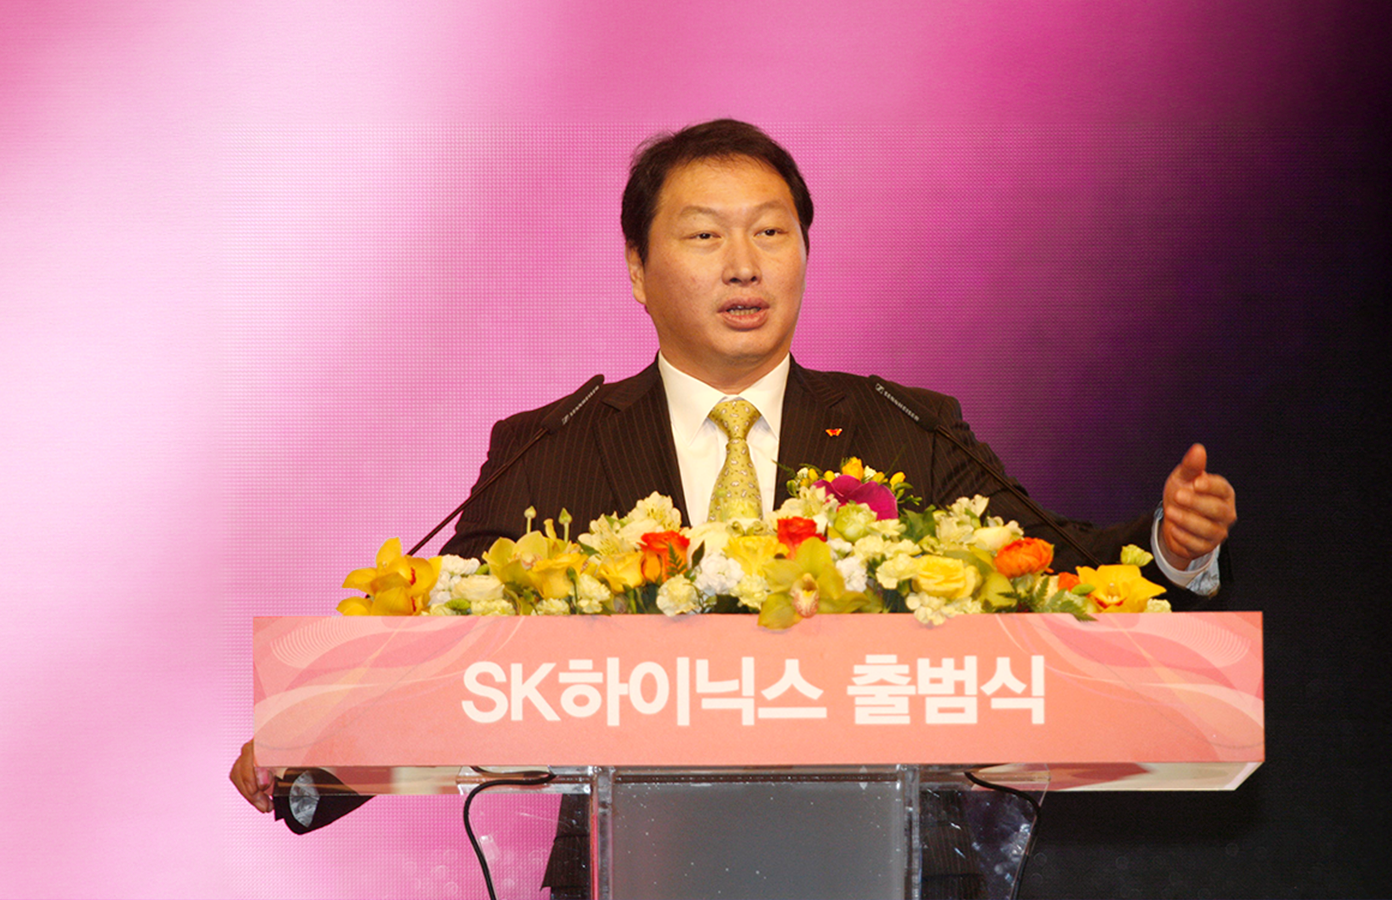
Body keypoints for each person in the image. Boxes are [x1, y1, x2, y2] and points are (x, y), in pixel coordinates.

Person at [232, 119, 1238, 892]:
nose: (744, 263)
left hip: (887, 865)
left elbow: (1048, 565)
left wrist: (1167, 546)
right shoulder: (553, 445)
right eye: (705, 235)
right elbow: (450, 646)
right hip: (638, 869)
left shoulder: (905, 426)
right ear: (638, 270)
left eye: (771, 232)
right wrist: (313, 749)